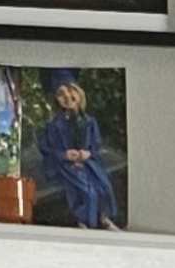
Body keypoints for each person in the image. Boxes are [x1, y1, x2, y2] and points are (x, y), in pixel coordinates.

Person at [32, 75, 120, 228]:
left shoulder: (89, 122)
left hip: (87, 161)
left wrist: (88, 154)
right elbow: (46, 148)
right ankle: (85, 222)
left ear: (79, 94)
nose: (67, 96)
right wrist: (64, 155)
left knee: (104, 186)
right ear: (56, 100)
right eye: (61, 94)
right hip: (64, 164)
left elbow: (96, 145)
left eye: (71, 91)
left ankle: (104, 217)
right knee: (88, 192)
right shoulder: (53, 125)